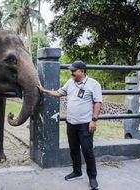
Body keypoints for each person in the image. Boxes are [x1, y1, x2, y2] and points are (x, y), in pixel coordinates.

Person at [38, 60, 102, 190]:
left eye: (74, 70)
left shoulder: (93, 84)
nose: (71, 72)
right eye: (71, 70)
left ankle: (92, 177)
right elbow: (58, 93)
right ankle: (77, 171)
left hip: (85, 124)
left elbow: (98, 102)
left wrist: (94, 120)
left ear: (82, 71)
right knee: (73, 149)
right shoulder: (70, 83)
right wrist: (44, 90)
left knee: (87, 151)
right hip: (71, 123)